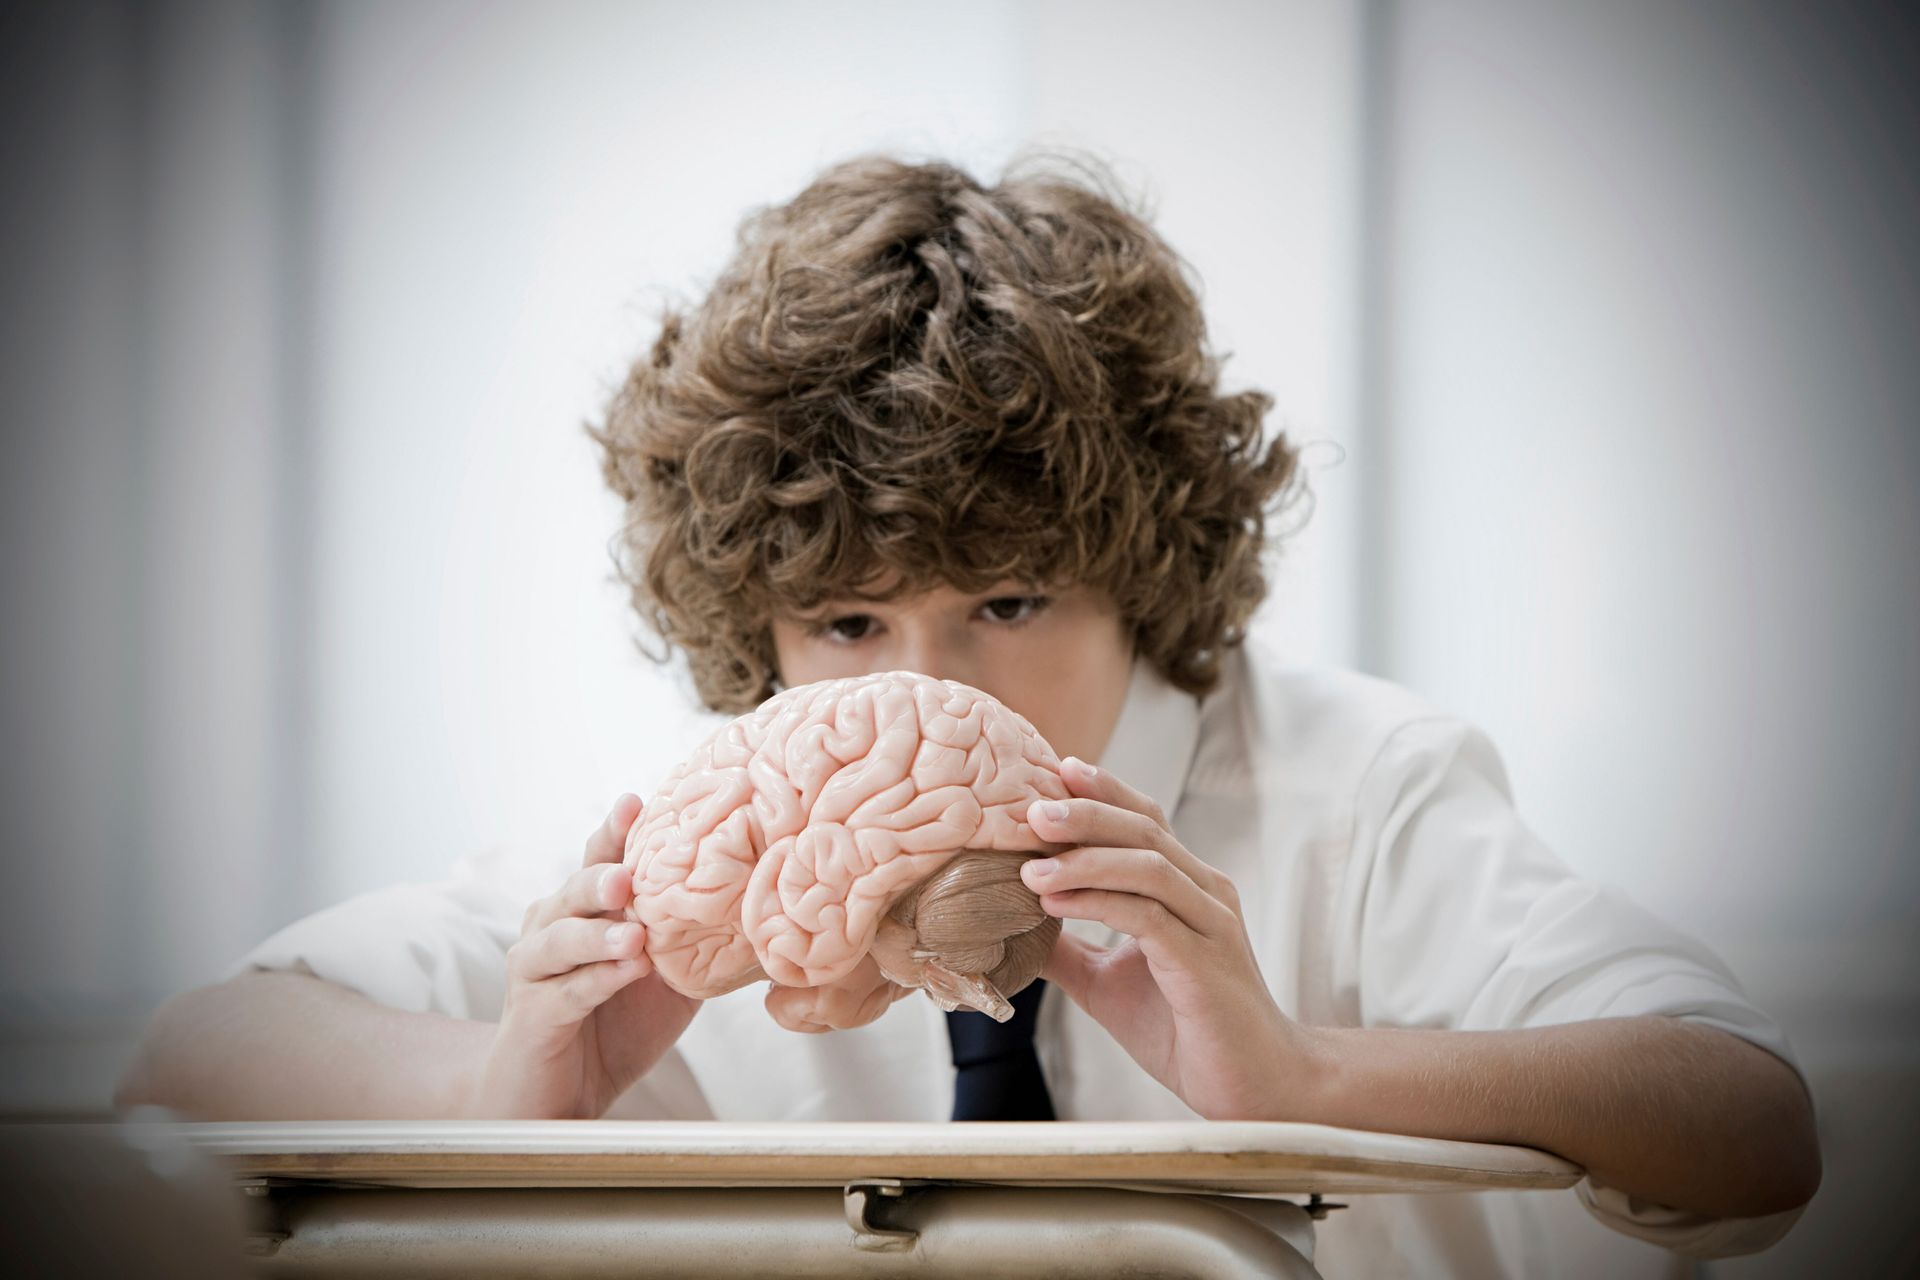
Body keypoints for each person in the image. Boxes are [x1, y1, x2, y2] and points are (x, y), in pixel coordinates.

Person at [115, 152, 1820, 1274]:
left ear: (1142, 568)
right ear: (756, 627)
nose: (927, 687)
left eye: (1008, 603)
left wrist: (1304, 1076)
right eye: (848, 624)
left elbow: (1752, 1122)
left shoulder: (1355, 791)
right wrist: (508, 1086)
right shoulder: (697, 857)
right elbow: (196, 1055)